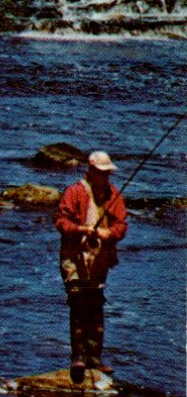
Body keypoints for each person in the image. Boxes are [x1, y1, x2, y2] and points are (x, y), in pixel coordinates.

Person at [55, 151, 128, 384]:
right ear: (91, 171)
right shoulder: (74, 192)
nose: (107, 177)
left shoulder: (114, 195)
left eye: (108, 173)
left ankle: (94, 358)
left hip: (100, 257)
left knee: (95, 303)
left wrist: (109, 233)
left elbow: (121, 226)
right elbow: (61, 222)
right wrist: (82, 230)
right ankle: (78, 357)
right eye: (103, 172)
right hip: (74, 256)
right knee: (77, 302)